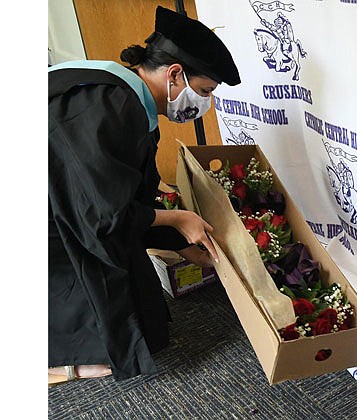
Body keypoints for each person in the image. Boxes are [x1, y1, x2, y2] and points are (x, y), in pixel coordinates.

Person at [48, 6, 240, 385]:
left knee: (145, 308)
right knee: (86, 262)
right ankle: (55, 361)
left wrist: (178, 240)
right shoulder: (110, 106)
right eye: (203, 91)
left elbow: (125, 190)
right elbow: (100, 214)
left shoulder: (123, 92)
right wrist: (176, 220)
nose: (203, 104)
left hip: (73, 199)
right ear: (174, 74)